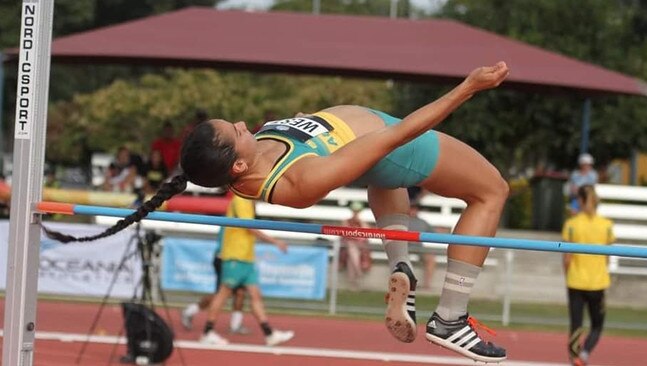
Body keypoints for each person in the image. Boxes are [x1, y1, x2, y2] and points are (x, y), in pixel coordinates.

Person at [43, 62, 510, 362]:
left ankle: (400, 270)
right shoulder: (298, 182)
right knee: (491, 190)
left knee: (383, 179)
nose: (245, 123)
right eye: (237, 130)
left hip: (378, 155)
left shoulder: (246, 161)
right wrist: (467, 88)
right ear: (239, 164)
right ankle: (450, 318)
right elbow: (396, 136)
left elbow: (354, 151)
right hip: (397, 143)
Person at [197, 195, 294, 346]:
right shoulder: (241, 200)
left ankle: (269, 334)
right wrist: (275, 241)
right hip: (235, 256)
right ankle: (207, 332)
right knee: (223, 294)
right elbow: (249, 227)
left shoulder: (249, 202)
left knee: (255, 295)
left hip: (247, 257)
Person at [561, 185, 613, 366]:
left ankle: (575, 358)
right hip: (598, 283)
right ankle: (584, 354)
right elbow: (607, 257)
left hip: (575, 281)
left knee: (576, 325)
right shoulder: (606, 225)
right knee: (597, 326)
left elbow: (567, 258)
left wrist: (567, 275)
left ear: (581, 201)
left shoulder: (572, 224)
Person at [407, 201, 439, 290]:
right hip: (404, 247)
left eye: (415, 209)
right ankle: (404, 284)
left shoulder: (422, 222)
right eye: (412, 208)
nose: (413, 211)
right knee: (401, 258)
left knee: (430, 259)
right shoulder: (403, 220)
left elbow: (434, 233)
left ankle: (427, 284)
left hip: (419, 248)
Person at [340, 201, 371, 288]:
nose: (355, 213)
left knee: (352, 256)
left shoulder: (361, 222)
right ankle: (358, 274)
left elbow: (367, 232)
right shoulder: (346, 221)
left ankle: (353, 281)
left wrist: (360, 222)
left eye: (357, 211)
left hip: (359, 246)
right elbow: (345, 234)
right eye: (354, 211)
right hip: (348, 245)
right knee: (352, 250)